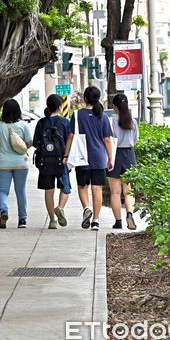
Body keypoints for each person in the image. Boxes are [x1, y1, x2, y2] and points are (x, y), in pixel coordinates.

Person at [63, 86, 114, 231]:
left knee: (82, 186)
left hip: (82, 156)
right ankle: (96, 220)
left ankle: (86, 208)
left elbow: (71, 136)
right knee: (97, 188)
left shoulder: (77, 115)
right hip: (99, 157)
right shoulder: (103, 117)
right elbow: (107, 140)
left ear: (85, 98)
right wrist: (111, 158)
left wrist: (66, 155)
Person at [0, 99, 33, 229]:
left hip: (3, 163)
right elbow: (29, 143)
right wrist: (21, 146)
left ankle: (4, 211)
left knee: (3, 191)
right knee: (21, 191)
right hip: (21, 163)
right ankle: (22, 220)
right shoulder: (23, 125)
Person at [33, 94, 71, 229]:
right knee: (65, 188)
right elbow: (69, 141)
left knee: (49, 190)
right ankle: (60, 207)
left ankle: (52, 221)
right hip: (62, 160)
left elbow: (35, 143)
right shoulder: (66, 122)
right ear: (60, 107)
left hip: (45, 162)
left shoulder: (41, 122)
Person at [107, 94, 138, 230]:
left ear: (114, 107)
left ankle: (118, 221)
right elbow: (136, 139)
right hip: (129, 154)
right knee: (128, 190)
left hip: (115, 154)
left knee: (115, 192)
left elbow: (108, 140)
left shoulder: (111, 121)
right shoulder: (133, 122)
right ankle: (129, 214)